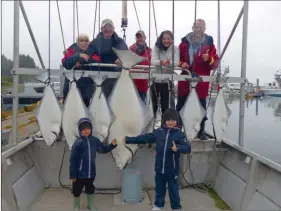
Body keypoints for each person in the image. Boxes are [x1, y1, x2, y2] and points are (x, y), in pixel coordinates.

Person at [119, 108, 191, 211]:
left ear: (177, 121)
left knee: (173, 190)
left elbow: (188, 148)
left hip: (172, 170)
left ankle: (176, 208)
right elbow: (145, 138)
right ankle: (158, 205)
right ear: (164, 120)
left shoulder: (180, 134)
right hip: (159, 169)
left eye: (173, 120)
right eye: (168, 120)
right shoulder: (159, 132)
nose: (170, 122)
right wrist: (129, 139)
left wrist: (178, 148)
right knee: (159, 189)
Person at [177, 19, 219, 140]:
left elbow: (215, 63)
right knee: (180, 107)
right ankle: (178, 130)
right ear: (192, 28)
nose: (198, 29)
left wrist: (209, 59)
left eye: (201, 27)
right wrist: (181, 63)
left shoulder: (209, 44)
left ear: (204, 29)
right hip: (185, 80)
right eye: (196, 27)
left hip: (201, 83)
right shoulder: (184, 43)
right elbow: (177, 58)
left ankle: (200, 131)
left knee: (201, 108)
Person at [70, 117, 117, 210]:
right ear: (80, 130)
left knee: (90, 189)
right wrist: (73, 175)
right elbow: (72, 160)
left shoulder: (94, 140)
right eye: (83, 129)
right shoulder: (77, 143)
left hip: (91, 173)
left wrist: (112, 145)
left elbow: (103, 149)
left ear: (91, 129)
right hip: (79, 174)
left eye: (88, 128)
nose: (86, 131)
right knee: (76, 190)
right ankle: (76, 206)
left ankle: (91, 205)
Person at [90, 18, 128, 98]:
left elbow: (125, 54)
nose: (108, 29)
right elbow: (90, 55)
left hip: (116, 76)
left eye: (110, 27)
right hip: (99, 77)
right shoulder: (94, 42)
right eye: (105, 27)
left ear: (113, 28)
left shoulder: (119, 41)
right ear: (101, 29)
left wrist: (121, 59)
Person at [61, 33, 100, 107]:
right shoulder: (70, 51)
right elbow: (65, 63)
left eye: (86, 41)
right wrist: (78, 56)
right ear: (77, 42)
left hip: (87, 88)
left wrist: (82, 61)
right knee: (68, 107)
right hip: (70, 86)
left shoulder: (93, 52)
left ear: (89, 42)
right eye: (81, 40)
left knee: (85, 108)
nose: (84, 43)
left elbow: (97, 64)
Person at [151, 30, 179, 120]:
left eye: (168, 38)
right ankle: (151, 125)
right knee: (153, 105)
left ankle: (165, 125)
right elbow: (152, 61)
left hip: (167, 81)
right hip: (155, 79)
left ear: (172, 40)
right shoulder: (156, 48)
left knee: (166, 106)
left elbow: (177, 62)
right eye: (164, 38)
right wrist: (161, 62)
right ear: (161, 39)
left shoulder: (176, 49)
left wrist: (168, 62)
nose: (166, 40)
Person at [129, 30, 152, 102]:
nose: (140, 39)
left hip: (144, 85)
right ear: (135, 39)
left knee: (143, 106)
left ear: (145, 38)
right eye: (138, 37)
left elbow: (152, 64)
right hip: (132, 84)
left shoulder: (150, 51)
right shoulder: (130, 49)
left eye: (141, 37)